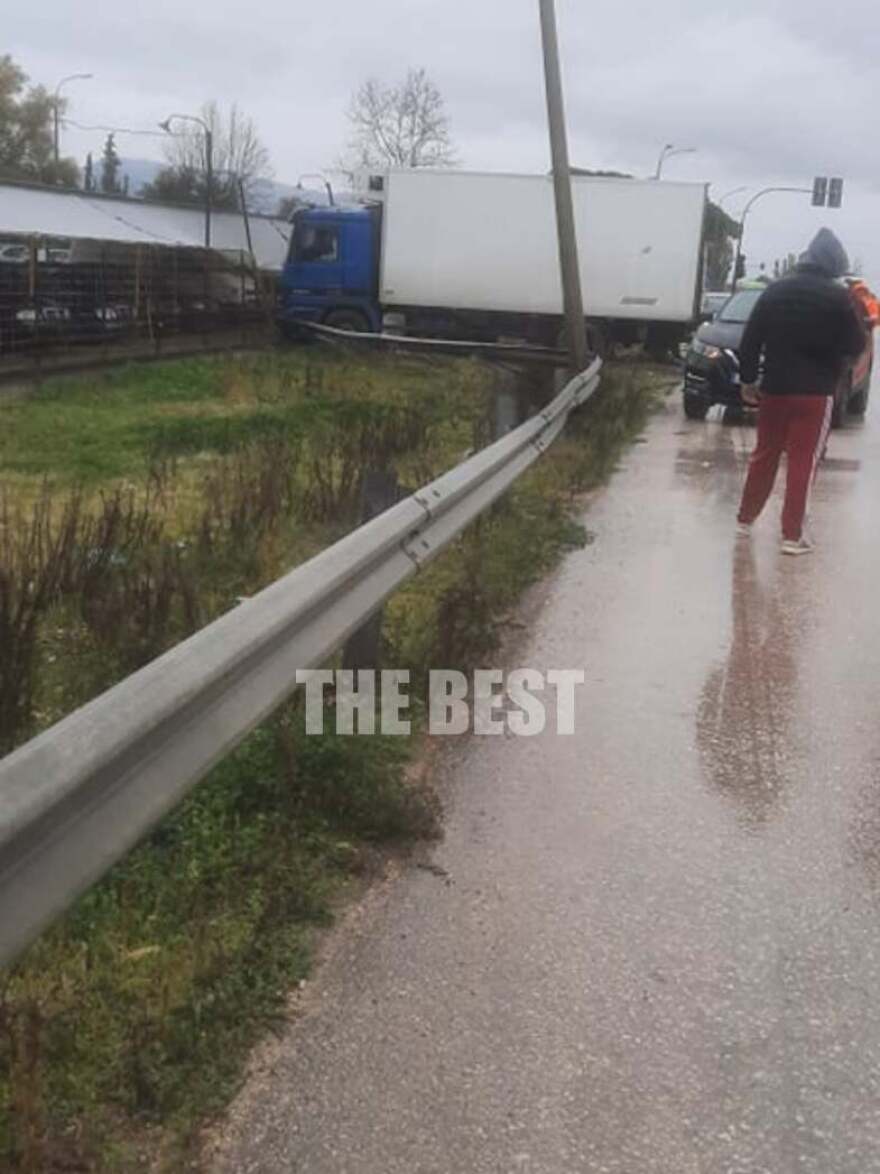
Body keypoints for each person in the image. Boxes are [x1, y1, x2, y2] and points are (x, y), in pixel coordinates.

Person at [736, 227, 865, 555]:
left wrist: (748, 381)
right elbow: (855, 344)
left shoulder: (775, 291)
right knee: (802, 462)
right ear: (834, 264)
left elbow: (750, 340)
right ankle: (792, 536)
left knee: (764, 455)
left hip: (775, 389)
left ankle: (745, 520)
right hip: (815, 394)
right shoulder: (839, 298)